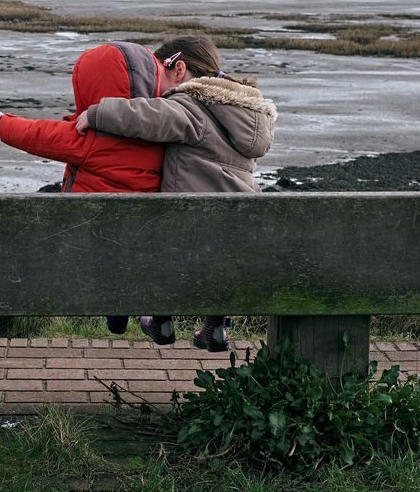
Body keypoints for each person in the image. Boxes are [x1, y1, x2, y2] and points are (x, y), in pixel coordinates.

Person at [75, 34, 277, 351]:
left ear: (179, 68)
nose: (157, 87)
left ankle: (159, 317)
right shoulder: (246, 112)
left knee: (153, 234)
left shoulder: (190, 106)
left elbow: (149, 118)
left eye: (160, 74)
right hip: (238, 227)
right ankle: (215, 327)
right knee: (213, 254)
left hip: (188, 229)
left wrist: (97, 113)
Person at [0, 41, 166, 334]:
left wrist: (2, 122)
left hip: (91, 231)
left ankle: (115, 317)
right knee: (127, 261)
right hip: (145, 235)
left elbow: (39, 135)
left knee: (104, 260)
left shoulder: (90, 137)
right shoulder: (161, 131)